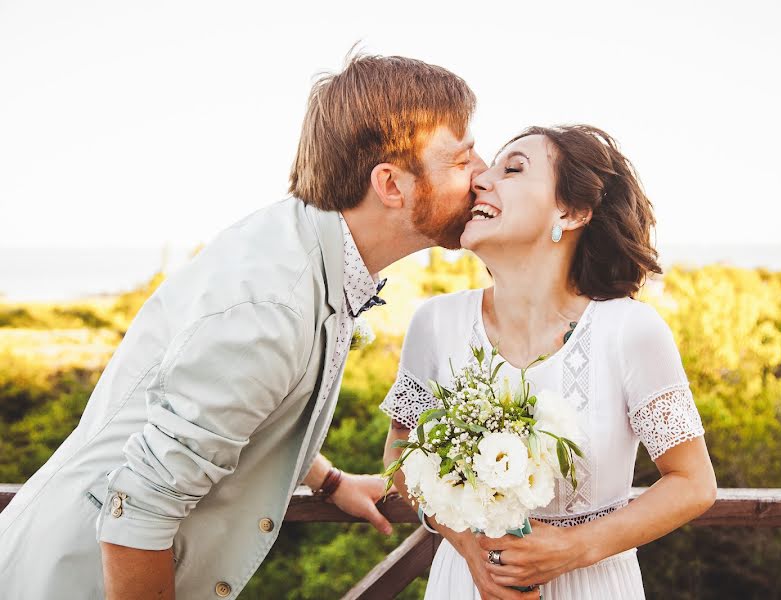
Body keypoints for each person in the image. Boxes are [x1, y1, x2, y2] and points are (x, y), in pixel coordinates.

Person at [0, 52, 487, 599]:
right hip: (72, 581)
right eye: (464, 159)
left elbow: (240, 407)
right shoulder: (272, 307)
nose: (484, 174)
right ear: (391, 184)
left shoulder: (304, 251)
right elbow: (138, 507)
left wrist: (326, 479)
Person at [381, 125, 718, 599]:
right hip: (468, 583)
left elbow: (694, 482)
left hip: (594, 584)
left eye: (513, 169)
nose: (480, 179)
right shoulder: (436, 323)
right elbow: (400, 450)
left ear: (572, 211)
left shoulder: (630, 331)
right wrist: (468, 546)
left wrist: (572, 547)